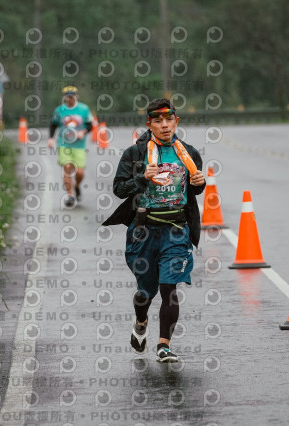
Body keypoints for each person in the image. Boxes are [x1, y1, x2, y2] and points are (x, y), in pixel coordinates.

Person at [102, 98, 206, 362]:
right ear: (149, 124)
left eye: (168, 120)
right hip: (144, 232)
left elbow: (192, 189)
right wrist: (142, 177)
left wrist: (200, 183)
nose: (164, 125)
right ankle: (140, 323)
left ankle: (164, 345)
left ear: (176, 121)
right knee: (144, 293)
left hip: (176, 230)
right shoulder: (134, 154)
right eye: (158, 121)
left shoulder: (189, 153)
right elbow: (119, 188)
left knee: (169, 286)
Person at [47, 86, 94, 207]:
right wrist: (51, 138)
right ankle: (70, 195)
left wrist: (82, 132)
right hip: (64, 144)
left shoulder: (83, 109)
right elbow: (53, 124)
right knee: (67, 168)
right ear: (64, 98)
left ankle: (76, 186)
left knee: (79, 173)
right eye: (68, 97)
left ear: (76, 96)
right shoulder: (59, 110)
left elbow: (90, 125)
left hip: (79, 145)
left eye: (72, 97)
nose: (70, 99)